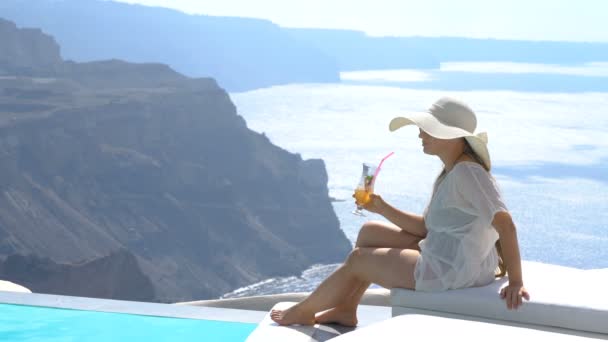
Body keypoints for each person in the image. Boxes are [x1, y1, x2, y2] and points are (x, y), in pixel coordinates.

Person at [271, 97, 530, 327]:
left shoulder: (468, 173)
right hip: (453, 254)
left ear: (451, 136)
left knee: (360, 260)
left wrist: (516, 282)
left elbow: (505, 224)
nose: (419, 134)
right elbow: (427, 228)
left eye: (427, 129)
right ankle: (346, 308)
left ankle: (304, 311)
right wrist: (380, 207)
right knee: (369, 231)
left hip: (454, 270)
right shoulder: (453, 171)